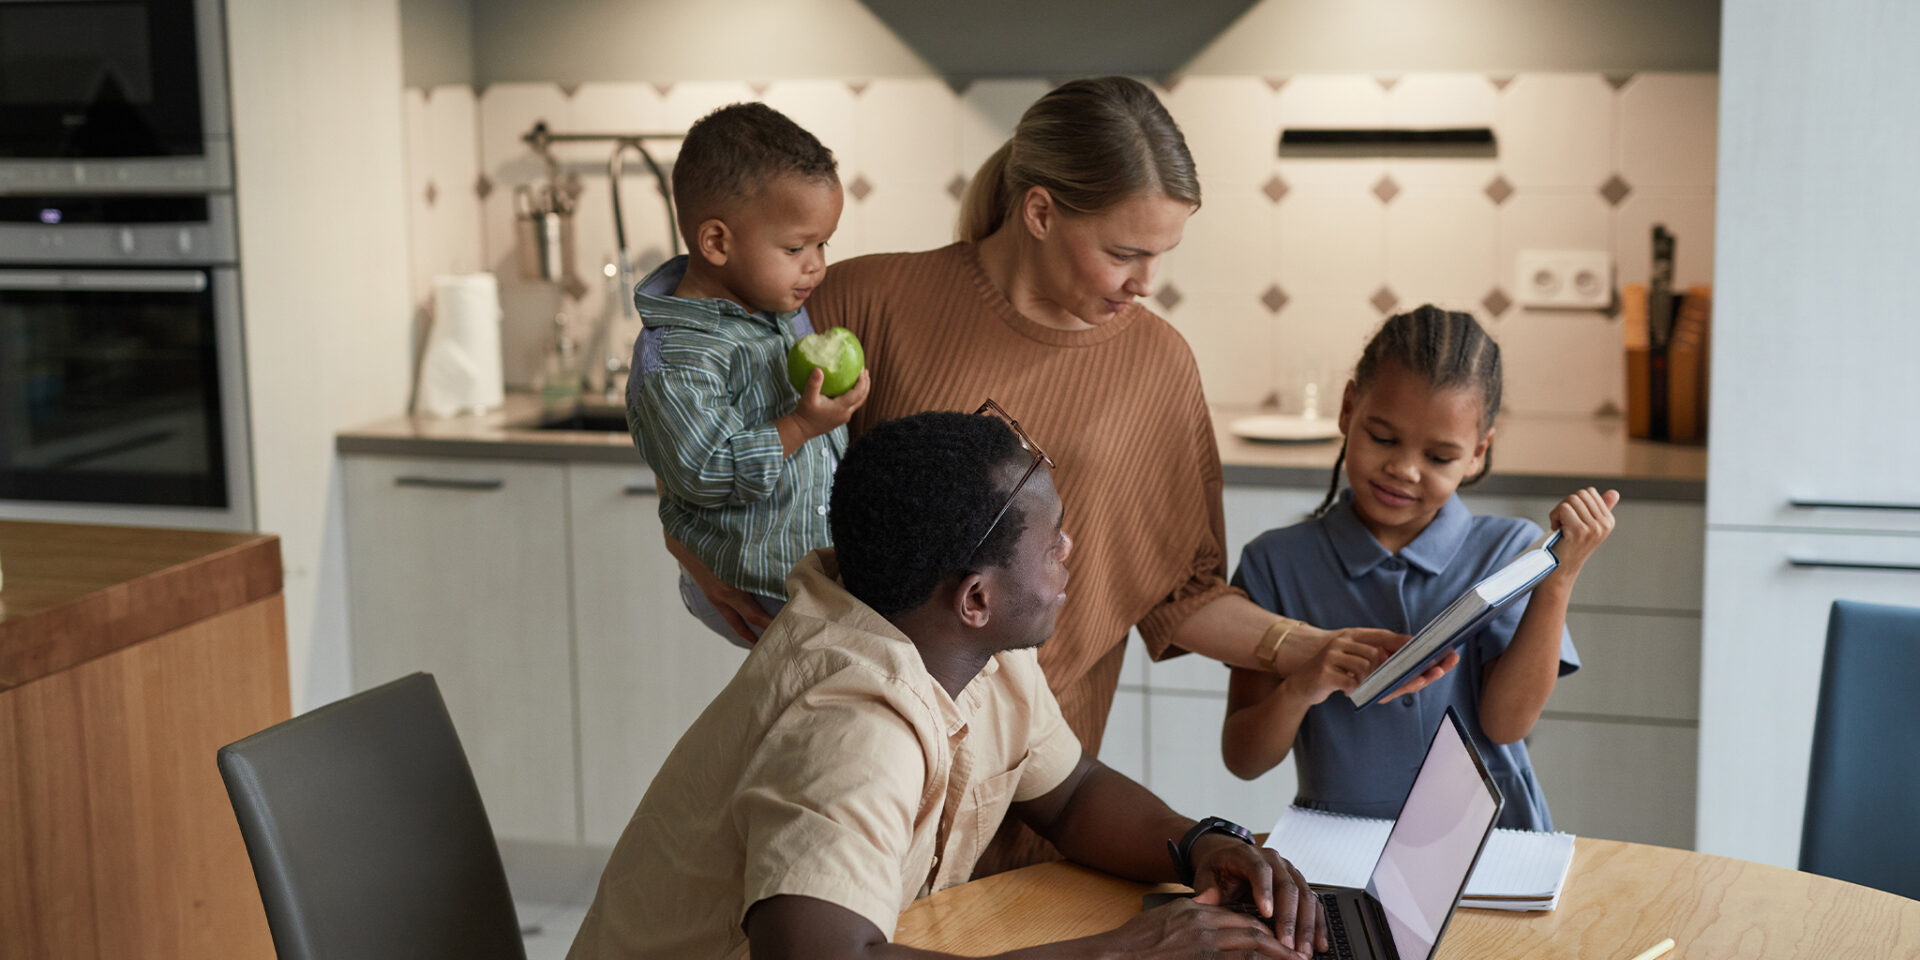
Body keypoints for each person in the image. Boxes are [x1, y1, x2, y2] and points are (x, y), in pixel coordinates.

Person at [671, 76, 1456, 872]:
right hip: (855, 754)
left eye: (1160, 255)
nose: (1146, 284)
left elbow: (1175, 595)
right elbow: (706, 444)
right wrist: (691, 551)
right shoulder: (863, 301)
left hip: (1044, 785)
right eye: (1124, 253)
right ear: (1040, 212)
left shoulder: (1158, 365)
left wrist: (1315, 649)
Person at [567, 409, 1327, 960]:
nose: (1070, 549)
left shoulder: (971, 648)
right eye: (1050, 541)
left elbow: (1070, 792)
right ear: (975, 598)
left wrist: (1197, 846)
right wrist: (1118, 954)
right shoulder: (852, 725)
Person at [1220, 305, 1620, 831]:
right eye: (1383, 438)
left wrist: (1559, 577)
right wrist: (1304, 682)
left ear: (1478, 453)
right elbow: (1244, 759)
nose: (1404, 470)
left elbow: (1506, 725)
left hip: (1493, 842)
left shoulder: (1510, 551)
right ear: (1347, 409)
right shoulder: (1275, 562)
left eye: (1439, 457)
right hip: (1341, 847)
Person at [625, 101, 871, 647]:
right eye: (796, 247)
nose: (817, 266)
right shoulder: (679, 359)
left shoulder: (773, 304)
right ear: (717, 242)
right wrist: (803, 426)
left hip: (803, 574)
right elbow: (705, 470)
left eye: (822, 244)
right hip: (757, 586)